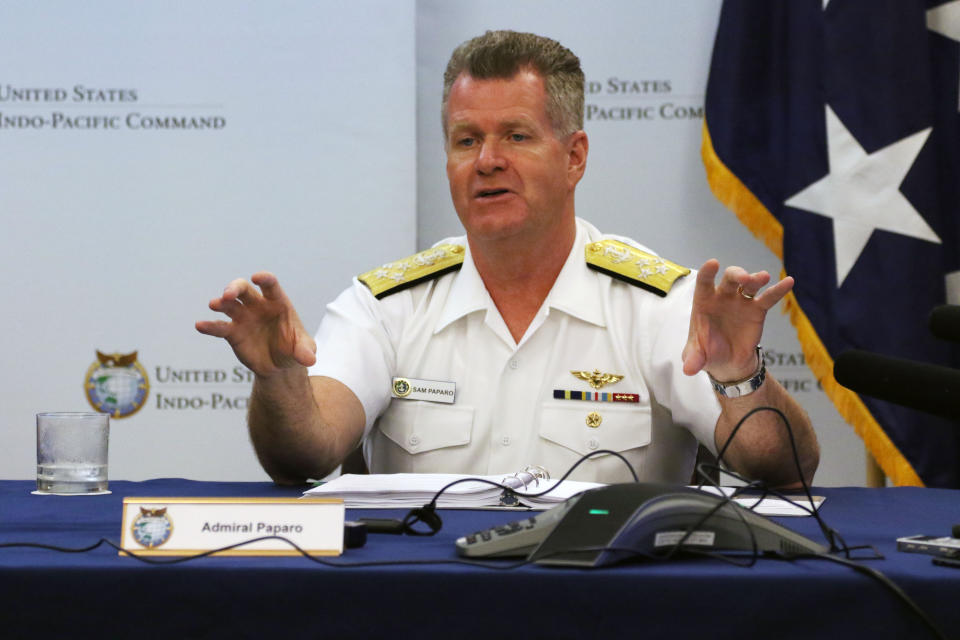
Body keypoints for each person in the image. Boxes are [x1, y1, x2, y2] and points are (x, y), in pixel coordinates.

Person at [197, 30, 819, 488]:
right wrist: (279, 380)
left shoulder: (659, 303)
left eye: (516, 136)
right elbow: (303, 454)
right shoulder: (387, 304)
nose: (487, 160)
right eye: (466, 140)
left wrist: (739, 376)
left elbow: (783, 466)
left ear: (574, 156)